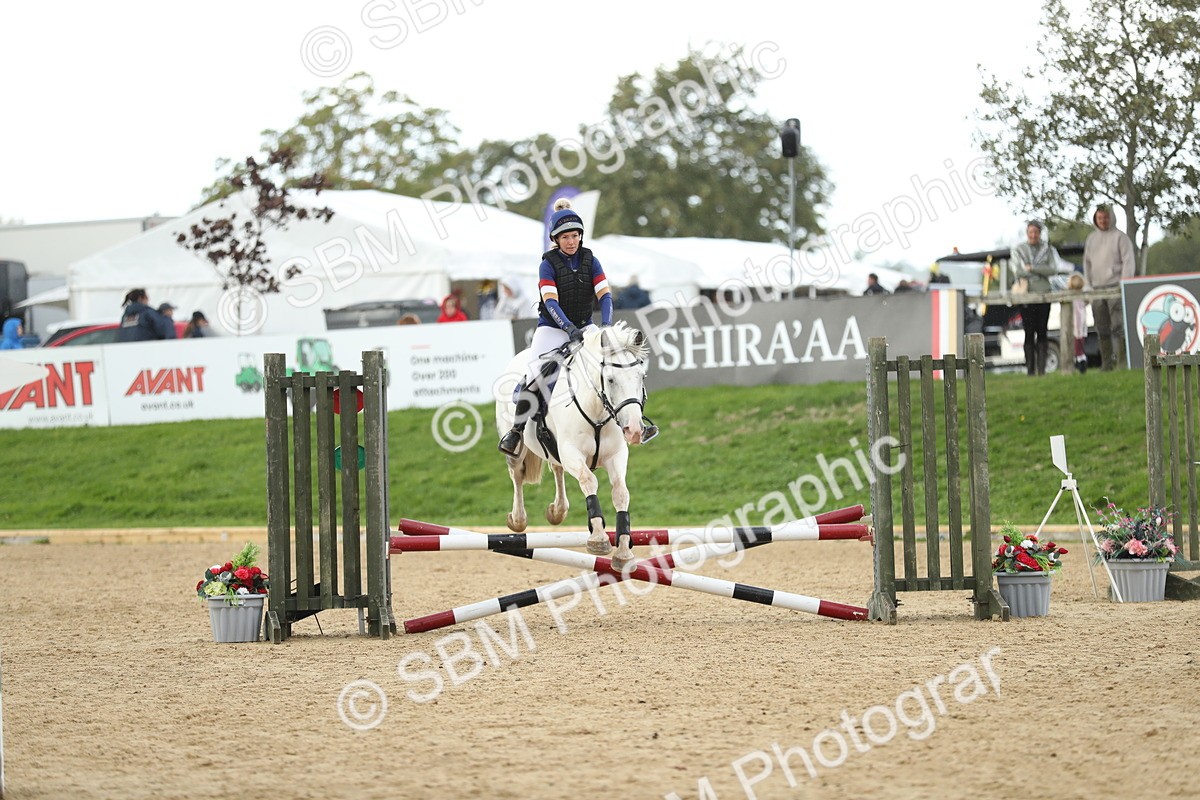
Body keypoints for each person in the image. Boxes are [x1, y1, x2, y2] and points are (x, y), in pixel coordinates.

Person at [499, 198, 656, 456]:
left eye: (575, 236)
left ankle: (636, 422)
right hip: (552, 328)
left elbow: (604, 295)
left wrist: (605, 325)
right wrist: (568, 328)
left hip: (586, 327)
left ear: (580, 236)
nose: (571, 241)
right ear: (556, 239)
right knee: (536, 374)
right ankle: (516, 432)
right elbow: (550, 302)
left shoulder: (590, 260)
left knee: (614, 367)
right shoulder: (547, 265)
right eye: (565, 237)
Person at [1083, 204, 1136, 370]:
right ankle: (1106, 363)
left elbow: (1128, 262)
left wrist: (1123, 283)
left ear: (1111, 217)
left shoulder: (1121, 237)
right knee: (1101, 328)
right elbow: (1087, 264)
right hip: (1097, 289)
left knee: (1119, 326)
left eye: (1105, 217)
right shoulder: (1091, 239)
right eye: (1100, 218)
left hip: (1115, 288)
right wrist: (1088, 285)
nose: (1103, 221)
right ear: (1095, 219)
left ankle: (1122, 362)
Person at [1010, 219, 1059, 375]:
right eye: (1031, 232)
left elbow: (1052, 269)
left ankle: (1042, 370)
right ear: (1027, 233)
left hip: (1044, 293)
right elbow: (1018, 271)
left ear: (1039, 233)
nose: (1033, 235)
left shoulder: (1047, 249)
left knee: (1042, 330)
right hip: (1026, 295)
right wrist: (1038, 271)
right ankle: (1030, 371)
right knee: (1029, 331)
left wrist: (1033, 268)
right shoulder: (1019, 249)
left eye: (1036, 232)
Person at [1068, 273, 1089, 374]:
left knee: (1078, 346)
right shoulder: (1082, 297)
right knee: (1080, 344)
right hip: (1082, 322)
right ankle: (1081, 360)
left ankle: (1081, 363)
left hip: (1077, 324)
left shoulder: (1074, 298)